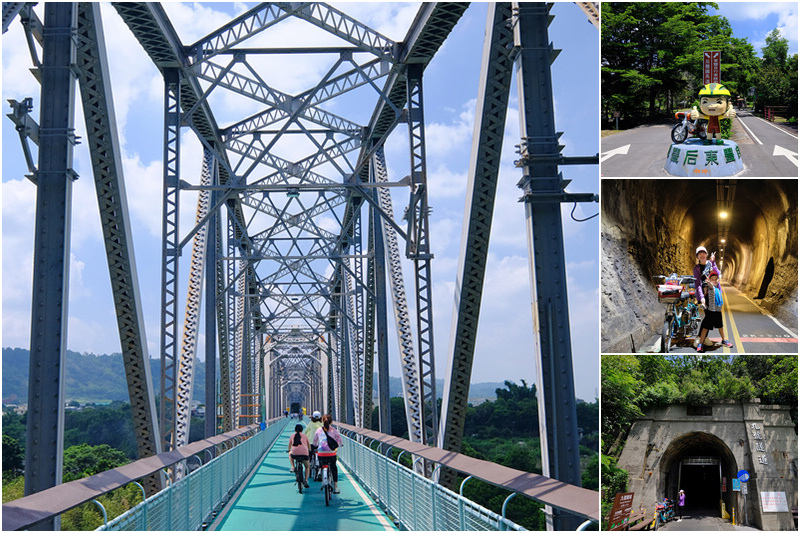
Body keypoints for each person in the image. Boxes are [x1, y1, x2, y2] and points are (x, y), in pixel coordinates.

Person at [696, 269, 733, 351]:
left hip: (717, 312)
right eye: (712, 279)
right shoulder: (711, 288)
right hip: (711, 312)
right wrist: (708, 281)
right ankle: (700, 343)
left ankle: (724, 340)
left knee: (720, 327)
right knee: (705, 328)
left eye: (715, 279)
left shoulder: (718, 289)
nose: (714, 281)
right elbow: (710, 285)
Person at [313, 414, 343, 493]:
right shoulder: (334, 430)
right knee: (333, 468)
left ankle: (320, 470)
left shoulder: (318, 430)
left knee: (321, 462)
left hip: (321, 453)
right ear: (331, 422)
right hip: (331, 454)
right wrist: (340, 445)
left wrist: (315, 446)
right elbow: (339, 440)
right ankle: (336, 487)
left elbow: (315, 441)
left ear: (322, 421)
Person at [287, 423, 310, 488]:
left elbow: (289, 445)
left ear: (295, 430)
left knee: (290, 454)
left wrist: (288, 450)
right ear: (302, 430)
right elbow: (308, 445)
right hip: (304, 454)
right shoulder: (305, 436)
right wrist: (309, 450)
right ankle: (305, 480)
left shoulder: (292, 436)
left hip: (294, 454)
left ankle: (293, 467)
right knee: (307, 466)